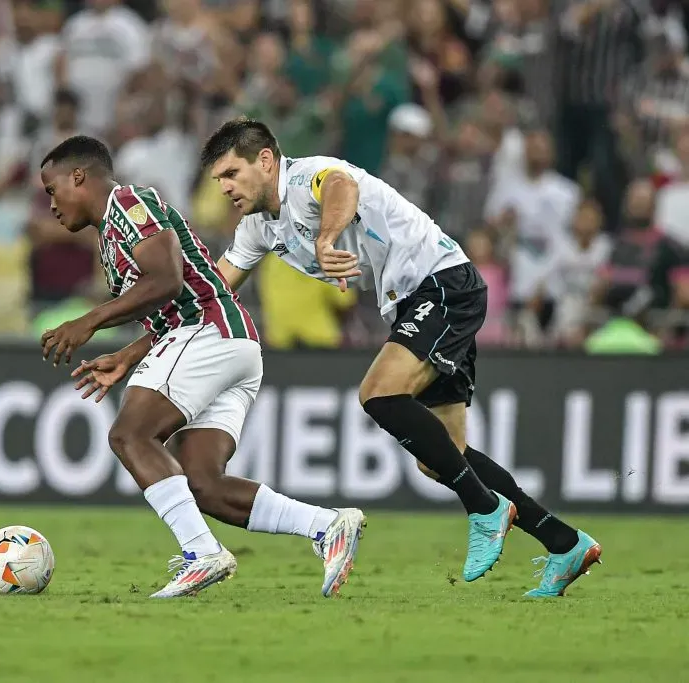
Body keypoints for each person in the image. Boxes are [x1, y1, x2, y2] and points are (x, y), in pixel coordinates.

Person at [197, 117, 600, 598]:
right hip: (415, 301)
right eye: (218, 179)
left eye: (230, 174)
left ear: (265, 161)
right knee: (441, 457)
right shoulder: (257, 229)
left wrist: (325, 241)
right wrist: (148, 334)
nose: (224, 187)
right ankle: (564, 542)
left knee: (378, 393)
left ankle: (484, 508)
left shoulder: (311, 175)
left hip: (442, 282)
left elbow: (342, 187)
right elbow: (214, 292)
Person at [38, 135, 365, 598]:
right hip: (232, 343)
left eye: (52, 190)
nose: (50, 204)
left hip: (207, 333)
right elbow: (179, 290)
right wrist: (128, 356)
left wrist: (89, 321)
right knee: (203, 484)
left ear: (78, 177)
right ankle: (328, 525)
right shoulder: (110, 235)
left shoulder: (128, 203)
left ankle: (201, 554)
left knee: (129, 435)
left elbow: (168, 280)